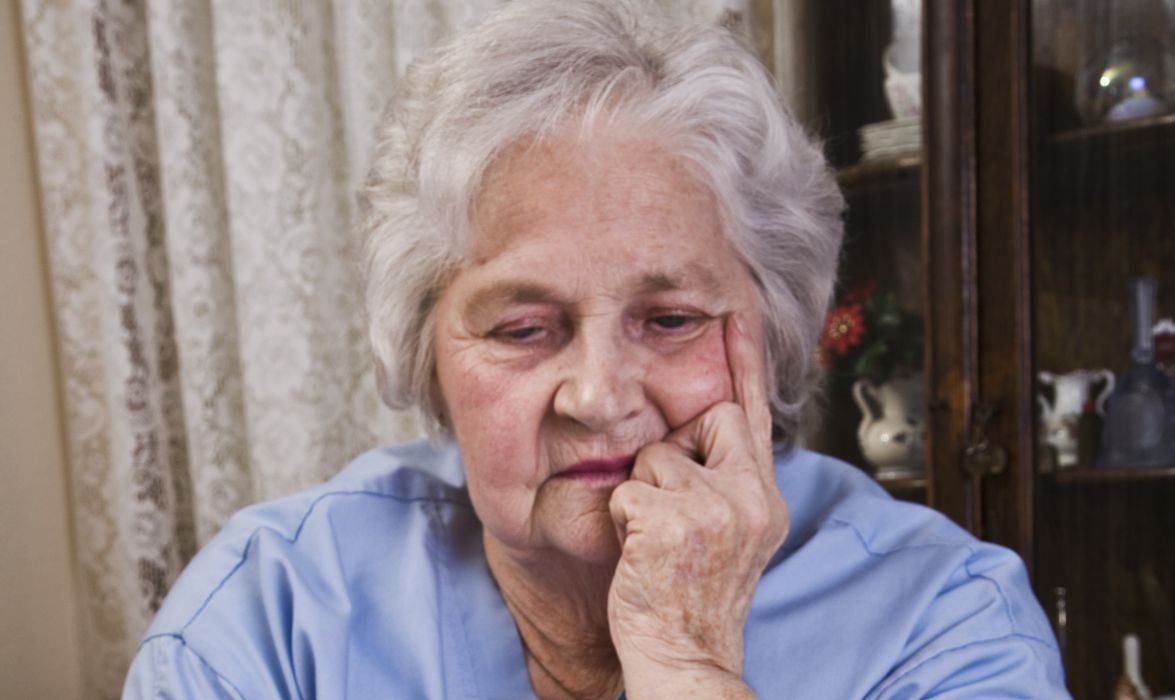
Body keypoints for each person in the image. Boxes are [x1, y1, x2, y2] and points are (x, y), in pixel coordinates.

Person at [123, 1, 1068, 697]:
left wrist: (685, 664)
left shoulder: (944, 620)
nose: (598, 394)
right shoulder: (268, 618)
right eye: (522, 329)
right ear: (428, 358)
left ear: (774, 331)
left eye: (670, 320)